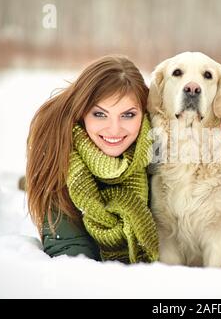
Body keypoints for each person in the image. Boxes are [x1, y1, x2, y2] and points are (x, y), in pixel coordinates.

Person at [26, 55, 159, 263]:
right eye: (100, 114)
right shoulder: (58, 147)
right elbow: (70, 251)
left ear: (144, 113)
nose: (114, 129)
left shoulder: (156, 143)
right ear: (81, 112)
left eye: (128, 115)